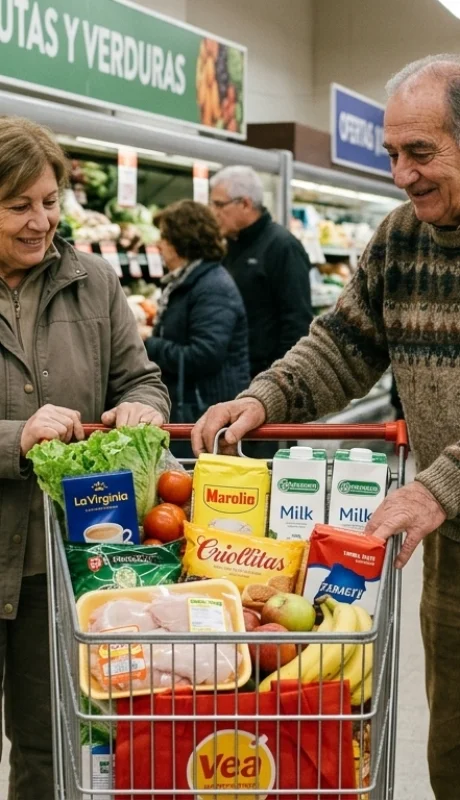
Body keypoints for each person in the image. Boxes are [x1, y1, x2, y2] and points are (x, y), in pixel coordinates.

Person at [193, 54, 460, 799]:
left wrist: (439, 484)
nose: (402, 175)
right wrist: (264, 398)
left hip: (446, 501)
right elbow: (342, 345)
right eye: (392, 155)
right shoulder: (401, 240)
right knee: (454, 740)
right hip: (455, 545)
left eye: (420, 152)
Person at [0, 115, 170, 799]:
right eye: (19, 206)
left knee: (50, 743)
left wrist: (142, 408)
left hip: (61, 560)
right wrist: (15, 437)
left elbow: (143, 380)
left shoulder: (93, 282)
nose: (41, 221)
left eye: (50, 201)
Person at [143, 200, 250, 428]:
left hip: (206, 413)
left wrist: (149, 343)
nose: (159, 245)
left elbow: (203, 356)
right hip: (193, 407)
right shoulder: (186, 282)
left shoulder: (213, 287)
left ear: (182, 241)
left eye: (164, 237)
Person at [209, 165, 313, 379]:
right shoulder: (229, 245)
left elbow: (297, 322)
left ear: (245, 204)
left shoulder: (283, 246)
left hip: (263, 377)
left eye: (219, 205)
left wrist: (277, 380)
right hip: (233, 374)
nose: (213, 213)